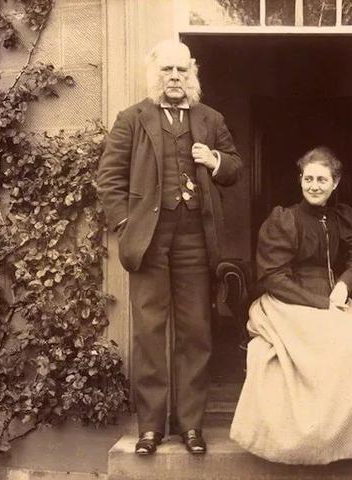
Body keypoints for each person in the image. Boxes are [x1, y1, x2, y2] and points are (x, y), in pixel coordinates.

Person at [97, 39, 242, 455]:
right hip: (149, 240)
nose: (175, 77)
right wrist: (126, 225)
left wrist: (214, 160)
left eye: (182, 70)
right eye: (167, 70)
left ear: (191, 74)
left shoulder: (210, 118)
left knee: (196, 331)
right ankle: (150, 428)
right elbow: (109, 178)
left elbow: (234, 167)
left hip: (196, 238)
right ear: (155, 73)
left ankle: (191, 426)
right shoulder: (131, 119)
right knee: (149, 333)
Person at [230, 147, 352, 465]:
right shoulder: (284, 219)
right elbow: (274, 278)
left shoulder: (341, 217)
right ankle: (309, 441)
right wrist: (320, 304)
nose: (314, 186)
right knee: (317, 352)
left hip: (334, 301)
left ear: (335, 183)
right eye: (308, 179)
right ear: (300, 180)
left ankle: (350, 439)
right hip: (286, 303)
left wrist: (344, 284)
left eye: (322, 180)